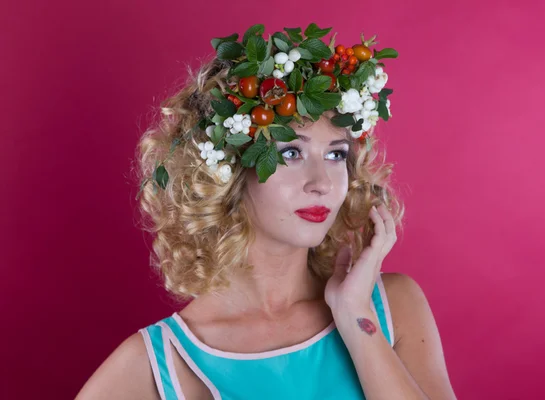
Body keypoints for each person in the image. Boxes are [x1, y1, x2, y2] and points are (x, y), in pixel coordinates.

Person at [76, 23, 457, 399]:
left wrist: (356, 317)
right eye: (291, 152)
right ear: (226, 171)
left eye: (336, 154)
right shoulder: (159, 365)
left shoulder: (390, 306)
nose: (321, 182)